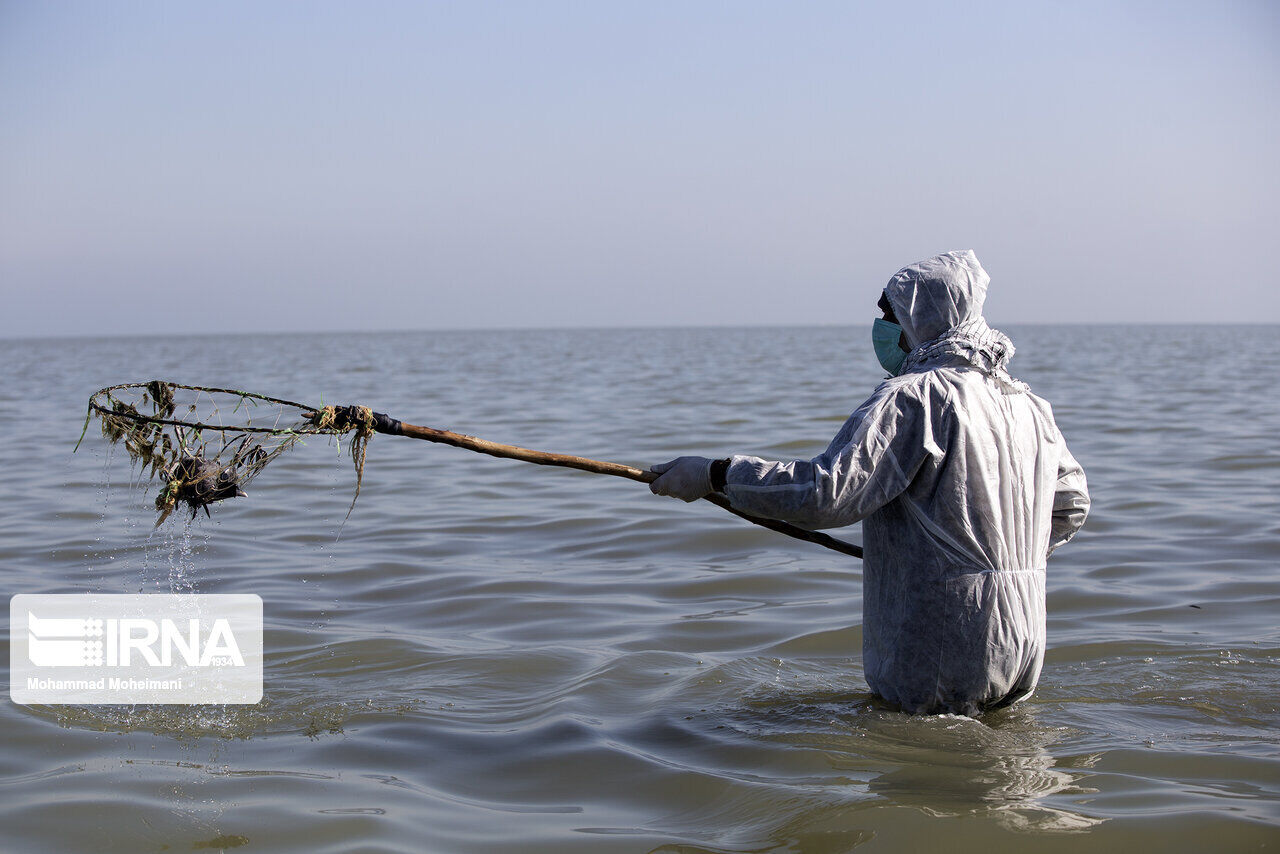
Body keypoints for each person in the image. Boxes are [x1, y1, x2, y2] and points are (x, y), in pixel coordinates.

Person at [648, 250, 1089, 716]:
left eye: (889, 314)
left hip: (946, 635)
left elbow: (826, 492)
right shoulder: (1027, 405)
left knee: (922, 771)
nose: (882, 327)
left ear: (922, 318)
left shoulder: (915, 397)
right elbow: (1071, 505)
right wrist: (1003, 559)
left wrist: (715, 474)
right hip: (1022, 633)